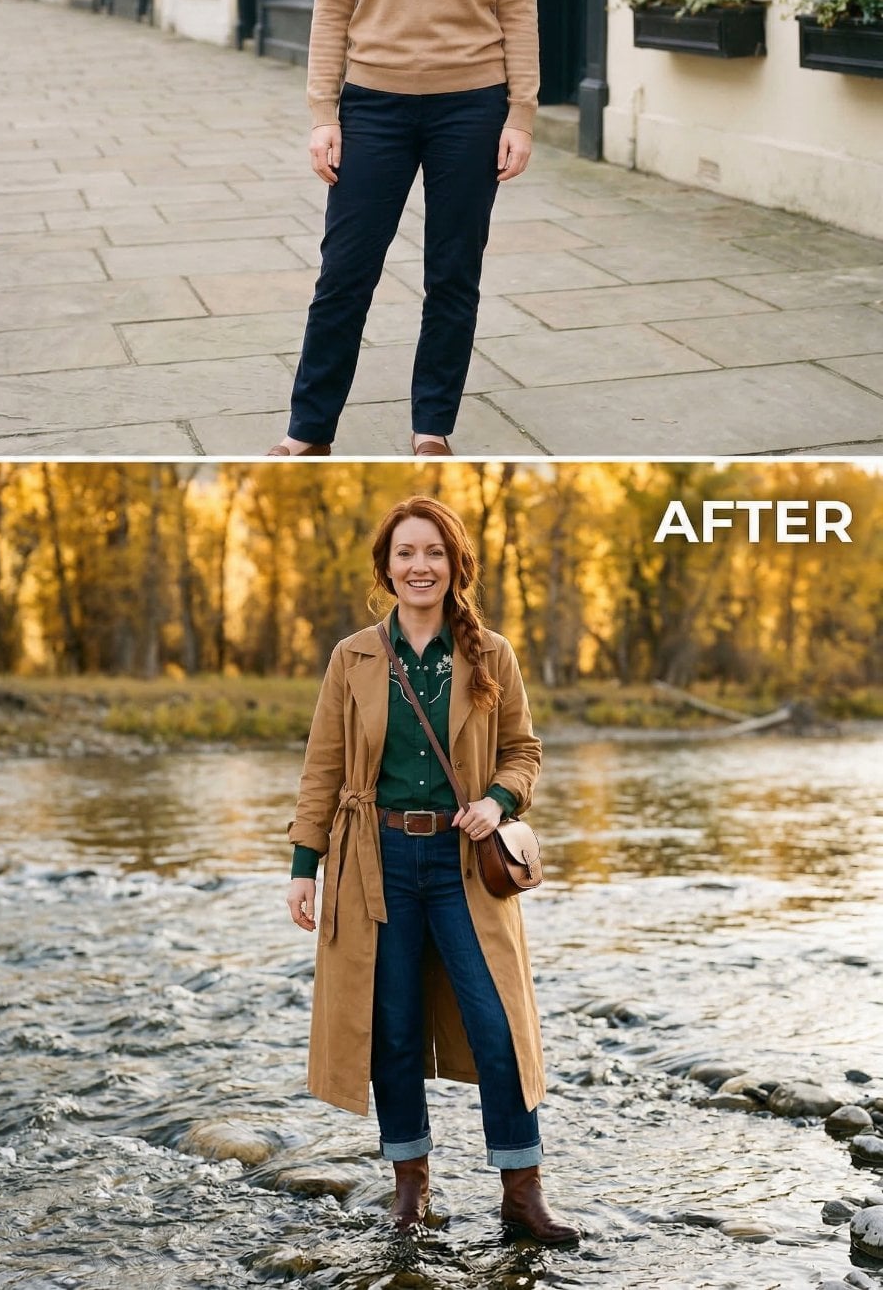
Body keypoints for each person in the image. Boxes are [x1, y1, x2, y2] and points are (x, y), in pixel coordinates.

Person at [285, 496, 580, 1245]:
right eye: (406, 553)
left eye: (434, 553)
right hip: (373, 863)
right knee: (392, 1031)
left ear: (455, 566)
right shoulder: (352, 656)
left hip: (463, 867)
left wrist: (498, 799)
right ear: (386, 567)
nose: (420, 566)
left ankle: (522, 1192)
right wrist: (303, 865)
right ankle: (410, 1189)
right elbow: (321, 767)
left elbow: (525, 750)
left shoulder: (492, 654)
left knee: (498, 1026)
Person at [268, 0, 539, 460]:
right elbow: (331, 7)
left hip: (471, 108)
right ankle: (307, 432)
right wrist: (323, 113)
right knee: (345, 275)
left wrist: (521, 112)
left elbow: (518, 7)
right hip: (373, 107)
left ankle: (431, 429)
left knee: (454, 274)